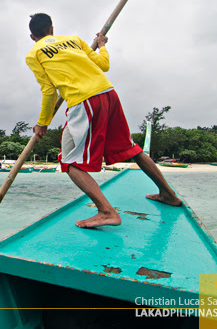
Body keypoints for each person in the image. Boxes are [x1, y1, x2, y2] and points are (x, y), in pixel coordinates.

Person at [25, 13, 180, 228]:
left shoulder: (34, 54)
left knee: (69, 161)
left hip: (84, 100)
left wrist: (43, 123)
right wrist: (101, 44)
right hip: (108, 94)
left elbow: (49, 90)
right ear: (52, 29)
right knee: (131, 148)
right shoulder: (75, 40)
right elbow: (103, 65)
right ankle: (168, 194)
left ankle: (106, 211)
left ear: (32, 36)